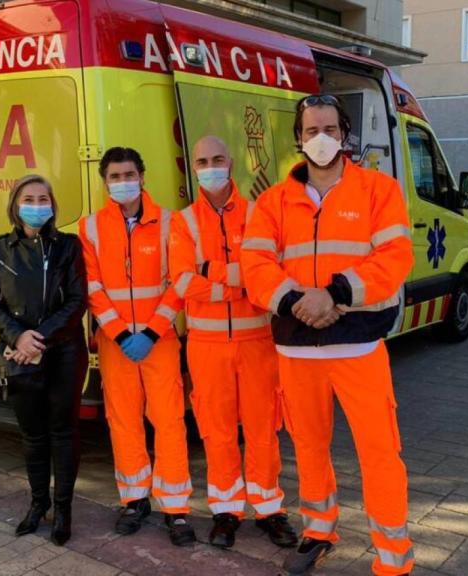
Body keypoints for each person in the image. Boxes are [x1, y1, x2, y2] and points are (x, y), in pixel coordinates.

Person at [241, 94, 415, 576]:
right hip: (297, 348)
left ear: (345, 135)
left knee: (379, 451)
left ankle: (392, 555)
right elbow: (254, 265)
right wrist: (299, 301)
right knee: (309, 449)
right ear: (298, 138)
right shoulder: (273, 201)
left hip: (359, 346)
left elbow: (395, 260)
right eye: (311, 130)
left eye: (331, 130)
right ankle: (318, 528)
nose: (321, 139)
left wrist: (333, 294)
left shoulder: (378, 190)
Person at [168, 136, 297, 550]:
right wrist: (236, 281)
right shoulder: (183, 222)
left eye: (218, 158)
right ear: (194, 166)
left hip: (258, 341)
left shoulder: (260, 215)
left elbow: (270, 275)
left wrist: (214, 271)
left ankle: (269, 510)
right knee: (217, 432)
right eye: (203, 160)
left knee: (263, 430)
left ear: (232, 161)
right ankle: (226, 512)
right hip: (206, 345)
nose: (211, 166)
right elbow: (184, 282)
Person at [78, 147, 194, 546]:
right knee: (123, 422)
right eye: (114, 176)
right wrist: (123, 334)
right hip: (116, 344)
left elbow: (178, 283)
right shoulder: (89, 228)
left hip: (158, 342)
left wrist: (150, 332)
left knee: (169, 421)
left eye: (129, 173)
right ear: (104, 181)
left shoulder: (169, 222)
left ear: (143, 177)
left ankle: (176, 508)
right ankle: (134, 499)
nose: (122, 181)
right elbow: (91, 288)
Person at [0, 174, 88, 545]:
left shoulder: (69, 247)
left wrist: (37, 339)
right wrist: (17, 336)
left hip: (64, 352)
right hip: (20, 355)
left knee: (63, 431)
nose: (37, 205)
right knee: (32, 435)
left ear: (52, 205)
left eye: (44, 199)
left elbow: (77, 302)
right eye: (30, 198)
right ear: (15, 205)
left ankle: (63, 510)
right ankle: (37, 503)